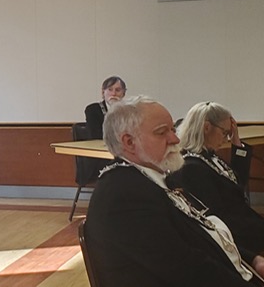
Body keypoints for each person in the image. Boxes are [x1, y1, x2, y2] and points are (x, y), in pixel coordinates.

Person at [85, 95, 264, 286]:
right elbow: (186, 270)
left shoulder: (153, 179)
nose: (175, 138)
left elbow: (201, 231)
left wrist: (252, 259)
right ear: (129, 142)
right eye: (162, 132)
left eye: (172, 129)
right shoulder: (122, 195)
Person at [173, 101, 263, 255]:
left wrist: (236, 142)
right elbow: (219, 217)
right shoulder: (191, 167)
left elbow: (238, 182)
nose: (227, 139)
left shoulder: (209, 157)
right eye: (225, 133)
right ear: (207, 127)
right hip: (236, 239)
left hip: (245, 226)